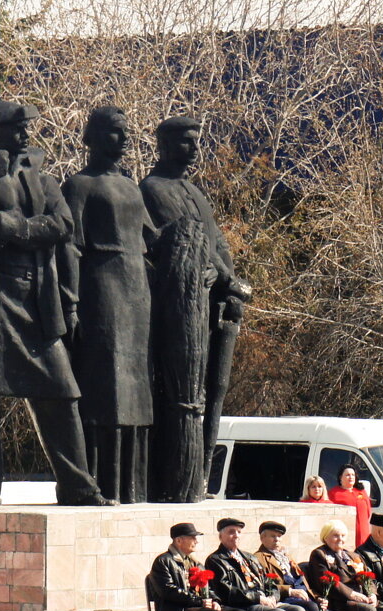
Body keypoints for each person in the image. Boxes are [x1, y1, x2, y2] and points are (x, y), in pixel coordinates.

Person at [0, 100, 108, 508]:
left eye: (26, 128)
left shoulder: (43, 181)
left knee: (62, 394)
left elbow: (64, 225)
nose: (24, 135)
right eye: (15, 129)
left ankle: (79, 487)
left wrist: (18, 227)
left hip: (37, 304)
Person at [140, 116, 250, 503]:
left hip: (211, 303)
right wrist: (230, 281)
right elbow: (187, 243)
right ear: (165, 145)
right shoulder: (153, 190)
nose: (194, 149)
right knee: (184, 394)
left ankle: (200, 474)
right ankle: (181, 475)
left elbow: (218, 244)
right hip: (179, 307)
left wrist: (229, 283)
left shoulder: (194, 191)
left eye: (195, 141)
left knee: (213, 391)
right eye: (185, 142)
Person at [61, 106, 155, 504]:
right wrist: (71, 302)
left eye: (125, 132)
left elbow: (153, 238)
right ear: (94, 136)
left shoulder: (132, 186)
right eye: (115, 132)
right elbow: (69, 246)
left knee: (136, 386)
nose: (123, 140)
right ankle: (100, 482)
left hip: (138, 292)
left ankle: (134, 485)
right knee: (106, 385)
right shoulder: (79, 185)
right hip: (102, 287)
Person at [329, 464, 372, 547]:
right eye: (347, 475)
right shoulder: (333, 493)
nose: (351, 477)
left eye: (353, 475)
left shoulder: (361, 491)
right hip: (345, 535)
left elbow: (368, 512)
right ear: (340, 477)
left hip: (363, 534)